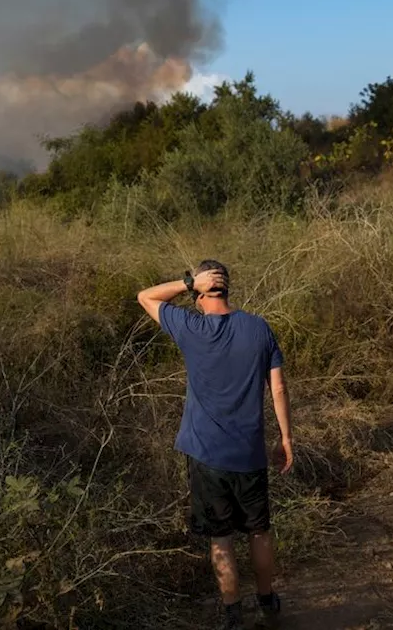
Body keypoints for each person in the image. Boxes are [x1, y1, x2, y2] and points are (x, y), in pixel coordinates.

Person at [137, 260, 294, 630]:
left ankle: (232, 614)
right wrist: (286, 439)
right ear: (228, 288)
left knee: (220, 537)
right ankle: (268, 600)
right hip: (250, 453)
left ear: (201, 292)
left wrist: (188, 282)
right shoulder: (258, 328)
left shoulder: (190, 327)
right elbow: (279, 389)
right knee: (258, 531)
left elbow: (144, 296)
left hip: (207, 456)